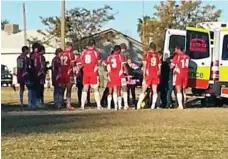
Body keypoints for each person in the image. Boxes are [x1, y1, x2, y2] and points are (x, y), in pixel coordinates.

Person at [78, 39, 102, 109]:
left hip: (86, 72)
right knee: (95, 88)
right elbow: (99, 62)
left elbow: (80, 62)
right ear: (94, 45)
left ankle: (82, 105)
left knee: (85, 87)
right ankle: (98, 105)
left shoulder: (84, 52)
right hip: (93, 72)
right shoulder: (95, 52)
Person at [137, 42, 161, 109]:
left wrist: (144, 76)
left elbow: (144, 67)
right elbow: (159, 69)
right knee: (155, 90)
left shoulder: (147, 55)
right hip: (155, 74)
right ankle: (153, 105)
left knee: (143, 90)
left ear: (149, 48)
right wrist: (158, 74)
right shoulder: (157, 56)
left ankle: (138, 104)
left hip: (148, 74)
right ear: (155, 48)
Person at [104, 45, 126, 110]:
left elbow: (105, 66)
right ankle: (118, 106)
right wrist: (127, 74)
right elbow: (124, 66)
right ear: (119, 50)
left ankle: (109, 106)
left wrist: (108, 72)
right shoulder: (120, 57)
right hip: (118, 75)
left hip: (110, 75)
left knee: (111, 91)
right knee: (118, 90)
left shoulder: (109, 57)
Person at [170, 45, 190, 109]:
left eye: (175, 49)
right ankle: (184, 104)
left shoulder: (176, 56)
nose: (175, 51)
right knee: (183, 90)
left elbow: (171, 66)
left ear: (178, 49)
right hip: (185, 74)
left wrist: (171, 64)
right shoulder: (187, 57)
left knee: (178, 89)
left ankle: (180, 105)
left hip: (179, 73)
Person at [59, 42, 75, 110]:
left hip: (62, 74)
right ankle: (68, 104)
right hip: (69, 73)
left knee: (62, 89)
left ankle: (60, 103)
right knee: (69, 90)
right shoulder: (70, 54)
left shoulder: (61, 54)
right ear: (70, 47)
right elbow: (72, 64)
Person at [29, 42, 42, 108]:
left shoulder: (36, 55)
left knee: (36, 88)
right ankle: (34, 103)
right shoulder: (34, 55)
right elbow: (32, 65)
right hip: (34, 73)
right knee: (34, 88)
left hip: (36, 74)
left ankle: (35, 102)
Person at [120, 43, 129, 109]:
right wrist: (128, 74)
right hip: (122, 74)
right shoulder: (122, 56)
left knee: (118, 90)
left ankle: (119, 105)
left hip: (115, 75)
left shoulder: (113, 56)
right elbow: (124, 66)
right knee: (124, 89)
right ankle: (125, 104)